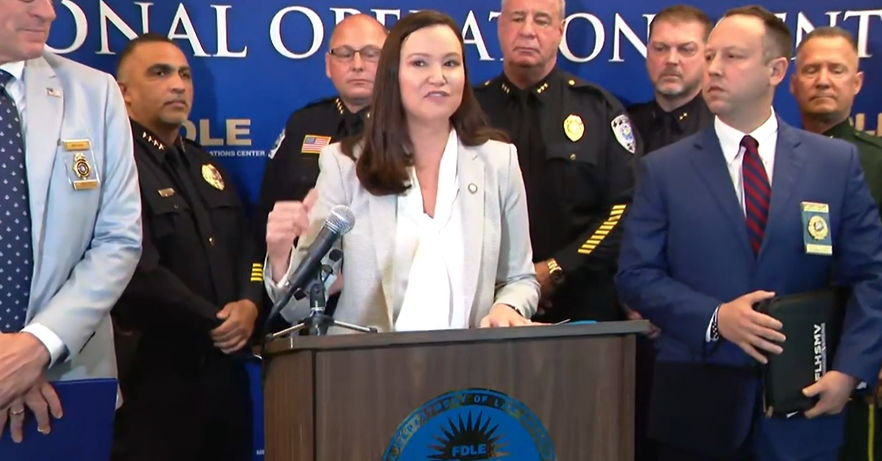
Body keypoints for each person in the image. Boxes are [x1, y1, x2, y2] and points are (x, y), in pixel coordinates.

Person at [616, 6, 882, 461]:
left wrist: (851, 371)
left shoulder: (834, 166)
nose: (713, 68)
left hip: (806, 411)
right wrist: (717, 317)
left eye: (733, 57)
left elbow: (871, 278)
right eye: (712, 55)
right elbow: (635, 275)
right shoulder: (664, 169)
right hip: (697, 413)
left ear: (776, 70)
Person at [264, 10, 538, 332]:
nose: (438, 77)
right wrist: (282, 256)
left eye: (450, 63)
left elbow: (521, 279)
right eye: (420, 63)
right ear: (392, 75)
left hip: (469, 370)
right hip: (369, 373)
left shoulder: (498, 162)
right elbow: (299, 306)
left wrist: (507, 306)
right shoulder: (344, 165)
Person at [110, 33, 263, 461]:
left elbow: (250, 250)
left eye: (184, 74)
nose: (178, 84)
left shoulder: (207, 165)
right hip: (156, 378)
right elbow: (134, 267)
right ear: (123, 93)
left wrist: (250, 303)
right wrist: (212, 319)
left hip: (226, 376)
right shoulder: (116, 164)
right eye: (159, 73)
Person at [0, 0, 142, 442]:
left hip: (66, 386)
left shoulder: (94, 93)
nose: (48, 12)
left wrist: (38, 346)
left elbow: (119, 237)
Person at [474, 0, 639, 325]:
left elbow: (624, 207)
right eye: (517, 18)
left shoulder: (599, 109)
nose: (527, 30)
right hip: (484, 307)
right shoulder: (468, 110)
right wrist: (510, 288)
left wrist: (556, 269)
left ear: (561, 31)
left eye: (542, 20)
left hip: (581, 303)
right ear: (500, 26)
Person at [255, 14, 387, 327]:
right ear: (329, 65)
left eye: (371, 54)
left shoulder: (410, 131)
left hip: (380, 307)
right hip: (305, 306)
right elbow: (268, 216)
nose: (357, 64)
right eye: (345, 54)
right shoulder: (303, 124)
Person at [789, 26, 882, 461]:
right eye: (810, 69)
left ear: (857, 83)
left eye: (836, 69)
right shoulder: (771, 160)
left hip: (860, 359)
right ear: (791, 82)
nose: (822, 79)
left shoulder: (876, 161)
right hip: (789, 356)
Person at [628, 5, 713, 155]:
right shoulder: (625, 125)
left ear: (708, 57)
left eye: (686, 49)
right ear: (647, 54)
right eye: (660, 48)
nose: (671, 60)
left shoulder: (724, 129)